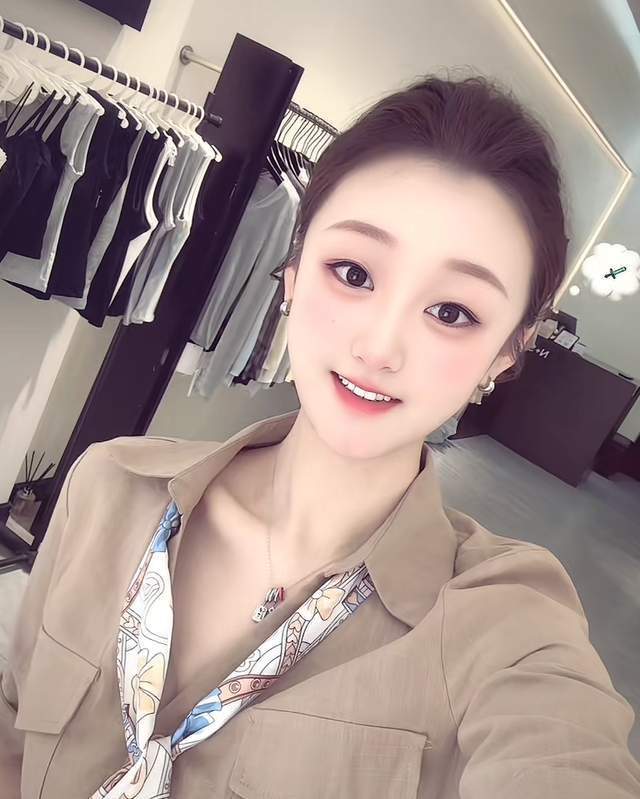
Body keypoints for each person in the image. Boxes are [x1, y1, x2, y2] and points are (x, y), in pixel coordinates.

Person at [1, 74, 639, 799]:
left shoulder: (502, 624)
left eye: (452, 312)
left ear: (503, 355)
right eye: (354, 272)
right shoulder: (108, 482)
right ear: (293, 274)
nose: (379, 346)